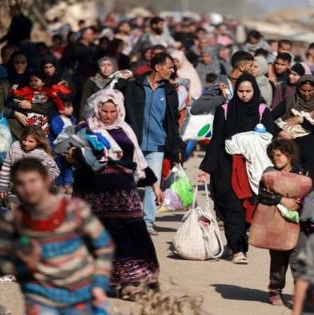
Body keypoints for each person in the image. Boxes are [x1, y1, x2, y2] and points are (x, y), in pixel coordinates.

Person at [67, 89, 162, 299]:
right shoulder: (84, 129)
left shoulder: (126, 130)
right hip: (93, 196)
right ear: (97, 109)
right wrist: (76, 156)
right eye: (104, 111)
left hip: (123, 195)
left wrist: (155, 186)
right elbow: (68, 154)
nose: (108, 115)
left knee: (134, 235)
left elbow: (138, 161)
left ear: (118, 110)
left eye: (112, 111)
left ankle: (135, 282)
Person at [0, 158, 114, 315]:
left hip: (81, 296)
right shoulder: (14, 221)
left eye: (33, 181)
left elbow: (104, 245)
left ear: (47, 180)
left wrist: (99, 284)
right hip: (40, 300)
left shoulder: (75, 210)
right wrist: (22, 264)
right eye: (20, 183)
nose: (28, 188)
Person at [198, 74, 275, 265]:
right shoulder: (224, 110)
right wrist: (206, 168)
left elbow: (271, 139)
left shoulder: (262, 111)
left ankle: (236, 243)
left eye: (248, 91)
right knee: (232, 208)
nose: (244, 95)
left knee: (249, 207)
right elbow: (216, 140)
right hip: (227, 166)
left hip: (253, 168)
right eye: (240, 91)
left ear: (255, 91)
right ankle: (238, 250)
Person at [124, 52, 183, 234]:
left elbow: (173, 120)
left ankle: (148, 221)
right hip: (135, 142)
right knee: (130, 180)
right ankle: (126, 216)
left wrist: (175, 146)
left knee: (153, 182)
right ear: (158, 67)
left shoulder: (170, 91)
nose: (172, 70)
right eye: (169, 67)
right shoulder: (134, 86)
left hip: (157, 144)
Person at [259, 139, 309, 306]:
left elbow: (310, 193)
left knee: (299, 261)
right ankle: (275, 290)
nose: (275, 159)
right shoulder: (269, 173)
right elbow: (262, 195)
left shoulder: (302, 172)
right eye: (272, 156)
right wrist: (281, 200)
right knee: (278, 262)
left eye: (279, 155)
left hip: (299, 224)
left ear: (289, 154)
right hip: (277, 223)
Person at [272, 75, 314, 186]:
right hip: (292, 145)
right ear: (298, 88)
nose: (306, 94)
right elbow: (268, 118)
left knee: (313, 179)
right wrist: (280, 132)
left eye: (310, 91)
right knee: (292, 178)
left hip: (313, 146)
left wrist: (302, 120)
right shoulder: (289, 101)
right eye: (303, 90)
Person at [0, 50, 54, 140]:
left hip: (34, 126)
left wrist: (31, 106)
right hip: (11, 124)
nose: (20, 65)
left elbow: (47, 106)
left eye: (23, 63)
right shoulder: (5, 83)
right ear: (12, 64)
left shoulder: (33, 82)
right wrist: (15, 114)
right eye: (17, 63)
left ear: (27, 64)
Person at [0, 126, 59, 199]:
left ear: (38, 142)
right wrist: (2, 187)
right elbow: (6, 167)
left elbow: (55, 170)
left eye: (31, 141)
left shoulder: (42, 154)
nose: (26, 143)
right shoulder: (15, 147)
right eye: (24, 140)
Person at [190, 51, 255, 115]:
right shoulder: (222, 85)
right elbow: (195, 108)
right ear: (242, 67)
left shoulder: (249, 84)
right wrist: (222, 97)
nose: (253, 68)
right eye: (251, 66)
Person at [50, 101, 77, 194]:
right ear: (61, 110)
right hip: (58, 146)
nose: (71, 108)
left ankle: (68, 183)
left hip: (69, 146)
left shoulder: (73, 119)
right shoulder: (56, 119)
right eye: (68, 107)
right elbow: (57, 131)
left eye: (72, 106)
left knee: (69, 163)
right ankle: (59, 183)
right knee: (58, 163)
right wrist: (71, 132)